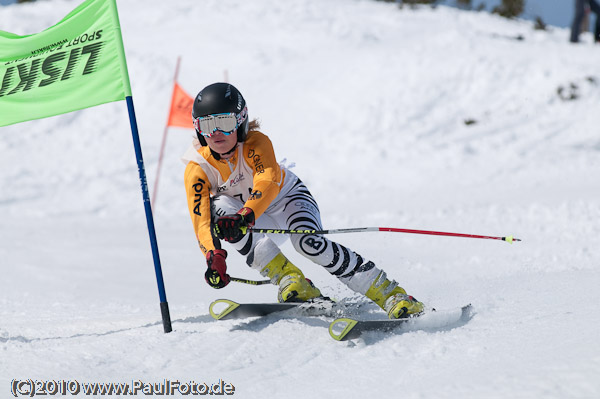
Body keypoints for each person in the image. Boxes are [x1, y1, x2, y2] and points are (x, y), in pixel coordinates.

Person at [182, 82, 424, 319]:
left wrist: (245, 214)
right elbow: (201, 220)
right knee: (219, 210)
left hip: (288, 200)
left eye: (224, 123)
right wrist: (214, 257)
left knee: (308, 243)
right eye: (207, 125)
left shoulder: (256, 143)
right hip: (253, 218)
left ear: (240, 121)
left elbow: (267, 182)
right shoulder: (198, 168)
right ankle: (291, 279)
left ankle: (391, 294)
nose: (215, 133)